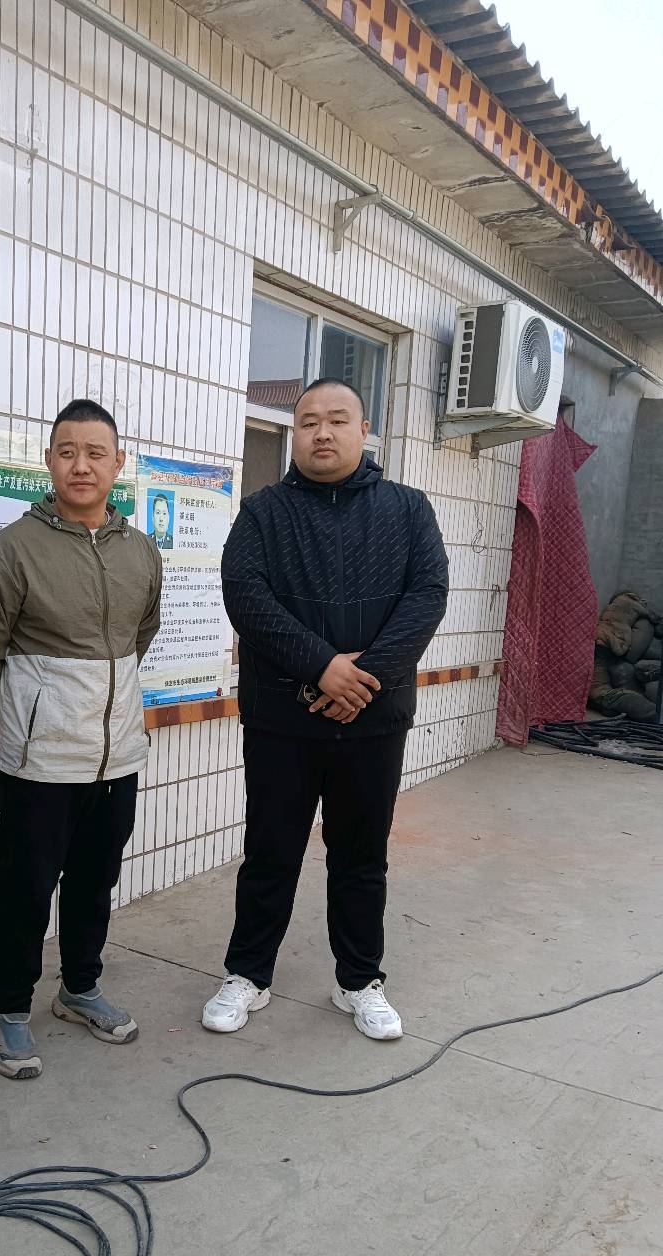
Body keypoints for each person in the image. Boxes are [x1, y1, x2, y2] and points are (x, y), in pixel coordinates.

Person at [204, 378, 448, 1041]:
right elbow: (246, 597)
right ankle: (247, 974)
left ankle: (359, 980)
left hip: (373, 719)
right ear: (295, 434)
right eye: (308, 421)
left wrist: (362, 678)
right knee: (270, 851)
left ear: (363, 430)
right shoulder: (264, 514)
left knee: (361, 856)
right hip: (282, 720)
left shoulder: (407, 510)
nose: (322, 432)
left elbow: (427, 594)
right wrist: (322, 667)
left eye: (337, 419)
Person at [0, 399, 161, 1080]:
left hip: (118, 756)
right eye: (67, 451)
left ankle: (80, 987)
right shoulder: (11, 549)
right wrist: (28, 715)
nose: (82, 465)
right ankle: (11, 1009)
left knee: (95, 882)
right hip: (41, 763)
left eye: (95, 453)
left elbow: (140, 635)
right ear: (48, 461)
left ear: (117, 463)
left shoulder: (141, 551)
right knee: (26, 888)